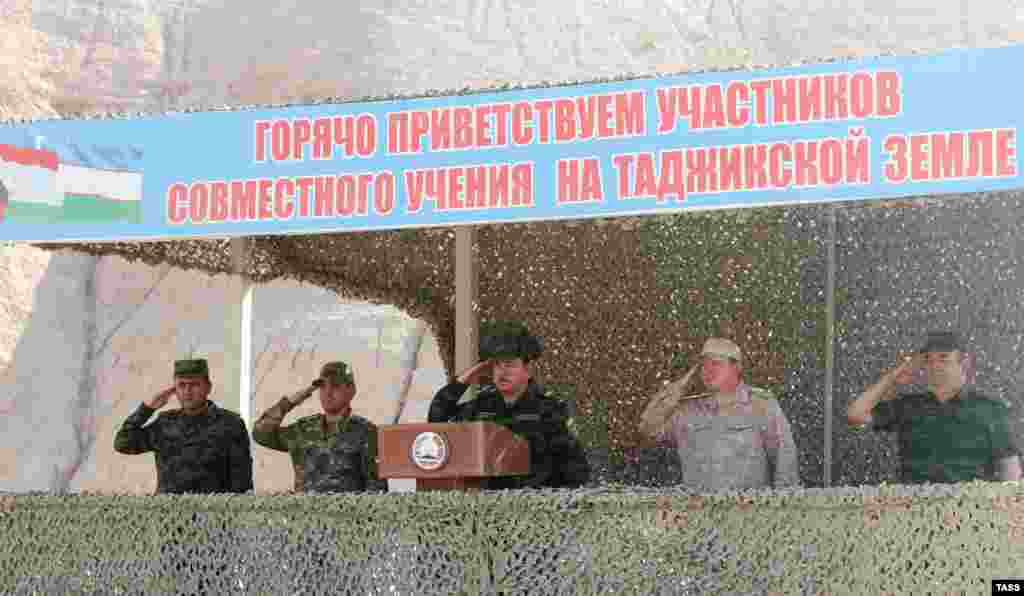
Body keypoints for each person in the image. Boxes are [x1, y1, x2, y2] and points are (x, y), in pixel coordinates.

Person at [428, 322, 590, 489]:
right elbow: (437, 421)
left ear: (527, 369)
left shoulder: (549, 409)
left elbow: (575, 471)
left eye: (509, 364)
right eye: (496, 365)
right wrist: (467, 377)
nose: (502, 372)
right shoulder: (481, 407)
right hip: (486, 498)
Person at [847, 330, 1022, 483]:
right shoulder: (908, 406)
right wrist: (894, 375)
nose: (934, 366)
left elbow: (1010, 471)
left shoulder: (989, 409)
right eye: (928, 360)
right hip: (914, 505)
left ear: (964, 362)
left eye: (943, 358)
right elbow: (856, 414)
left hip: (970, 506)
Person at [638, 337, 801, 490]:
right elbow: (648, 430)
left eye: (716, 364)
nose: (708, 370)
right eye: (704, 365)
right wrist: (676, 390)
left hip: (747, 507)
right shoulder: (688, 411)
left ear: (736, 368)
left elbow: (785, 458)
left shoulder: (761, 405)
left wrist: (784, 502)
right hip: (697, 508)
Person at [114, 358, 253, 494]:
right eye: (181, 385)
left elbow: (242, 483)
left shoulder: (230, 424)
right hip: (168, 508)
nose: (187, 391)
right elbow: (123, 443)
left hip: (212, 507)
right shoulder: (165, 423)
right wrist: (147, 409)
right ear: (175, 389)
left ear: (208, 387)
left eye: (194, 385)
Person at [252, 361, 385, 493]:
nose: (328, 392)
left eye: (335, 386)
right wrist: (290, 402)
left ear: (351, 390)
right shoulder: (303, 430)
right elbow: (260, 434)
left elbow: (376, 489)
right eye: (322, 387)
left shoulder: (366, 432)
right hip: (305, 506)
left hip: (346, 506)